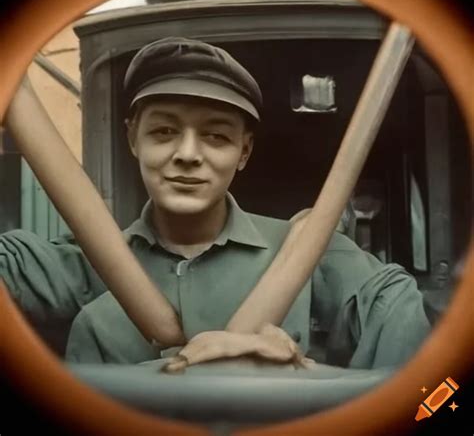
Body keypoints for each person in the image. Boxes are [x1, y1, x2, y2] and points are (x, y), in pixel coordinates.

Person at [1, 37, 430, 369]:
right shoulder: (79, 265)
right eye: (164, 131)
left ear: (243, 153)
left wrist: (310, 376)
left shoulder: (312, 253)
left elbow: (441, 394)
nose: (188, 154)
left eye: (216, 136)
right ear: (132, 138)